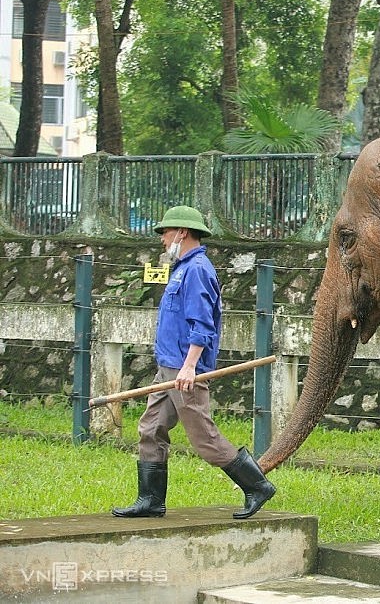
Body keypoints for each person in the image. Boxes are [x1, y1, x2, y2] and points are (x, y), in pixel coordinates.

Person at [112, 205, 276, 520]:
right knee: (151, 426)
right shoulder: (182, 268)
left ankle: (257, 486)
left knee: (203, 437)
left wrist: (189, 367)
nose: (162, 239)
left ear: (182, 233)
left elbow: (202, 325)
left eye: (165, 232)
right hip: (169, 365)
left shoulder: (198, 269)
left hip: (186, 369)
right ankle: (150, 501)